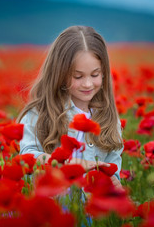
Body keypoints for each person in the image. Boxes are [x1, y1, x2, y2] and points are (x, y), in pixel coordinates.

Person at [17, 26, 124, 188]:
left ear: (104, 73)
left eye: (95, 74)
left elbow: (113, 168)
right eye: (78, 76)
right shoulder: (39, 113)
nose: (88, 84)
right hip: (50, 205)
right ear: (60, 74)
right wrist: (65, 163)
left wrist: (114, 181)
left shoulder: (110, 120)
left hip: (92, 208)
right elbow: (27, 156)